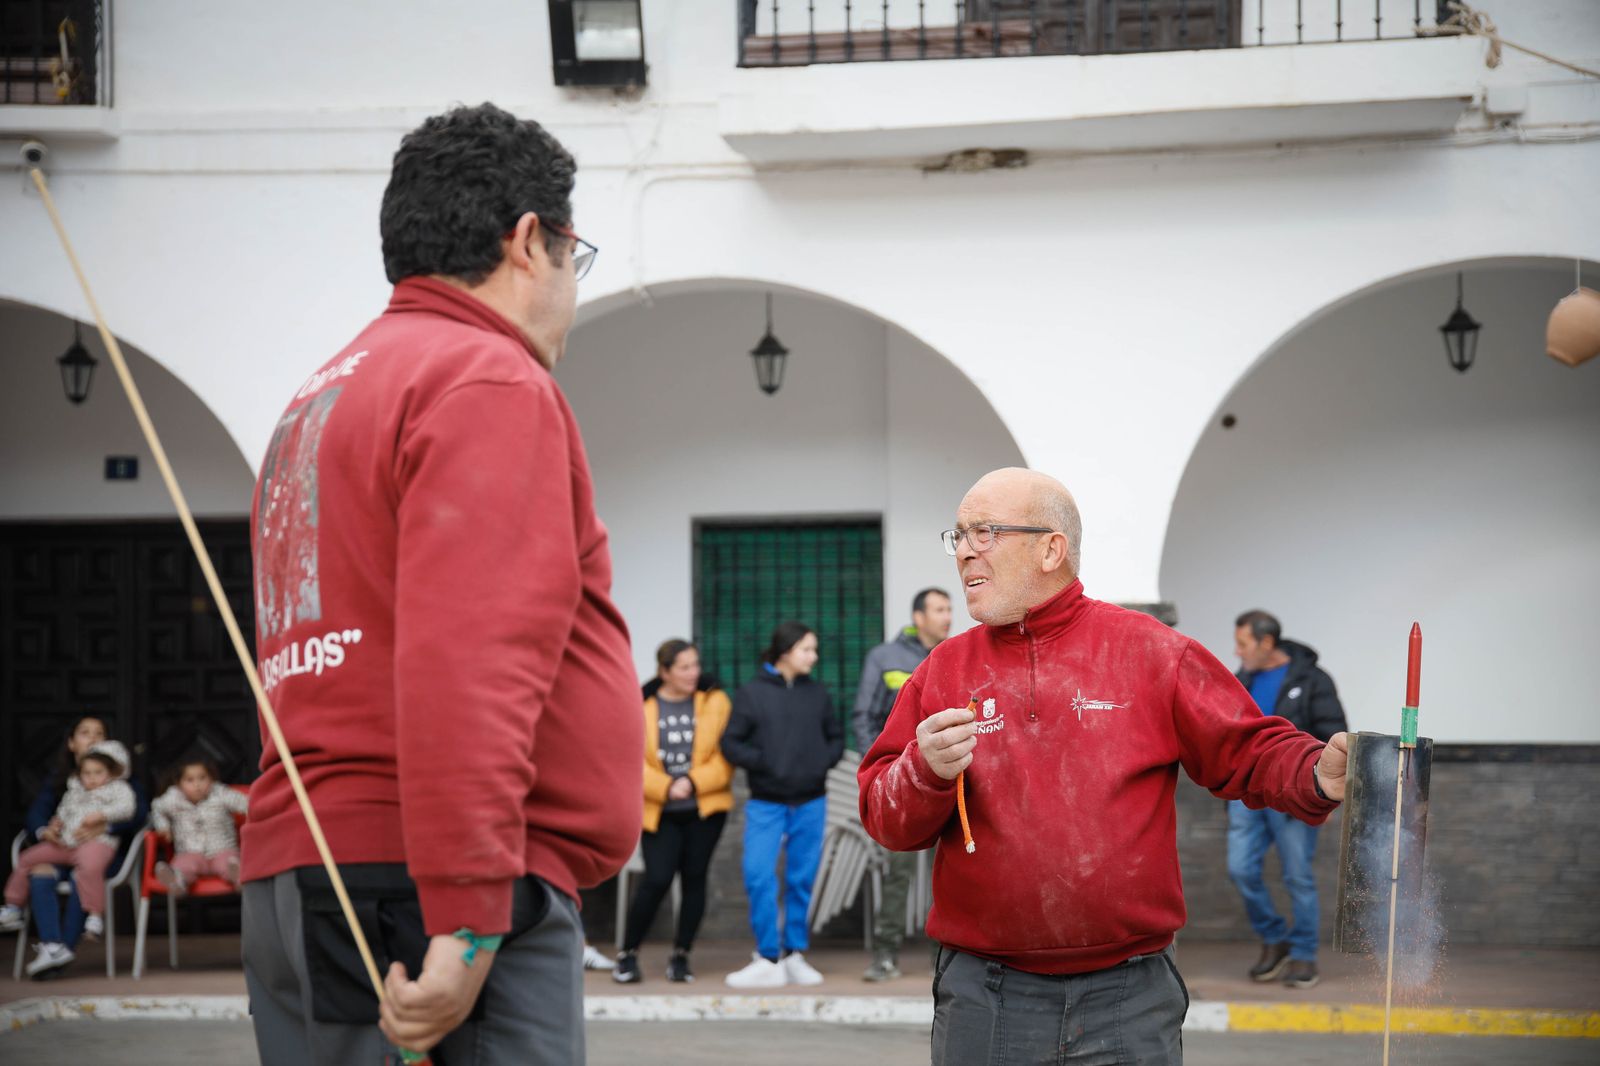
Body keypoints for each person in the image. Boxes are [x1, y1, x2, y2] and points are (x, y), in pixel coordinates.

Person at [242, 102, 641, 1066]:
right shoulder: (485, 378)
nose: (570, 294)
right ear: (528, 240)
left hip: (309, 867)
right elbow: (474, 662)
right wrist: (467, 920)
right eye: (573, 258)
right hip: (436, 887)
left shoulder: (323, 393)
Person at [859, 468, 1351, 1064]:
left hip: (1129, 997)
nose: (963, 551)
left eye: (983, 532)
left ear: (1051, 548)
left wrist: (1314, 772)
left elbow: (1247, 749)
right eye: (958, 535)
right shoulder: (942, 670)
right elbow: (885, 817)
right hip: (984, 997)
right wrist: (924, 770)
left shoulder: (1152, 651)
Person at [720, 622, 845, 989]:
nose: (813, 656)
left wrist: (820, 761)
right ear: (786, 650)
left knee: (801, 879)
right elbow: (731, 743)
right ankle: (767, 956)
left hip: (811, 800)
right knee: (758, 875)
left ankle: (793, 954)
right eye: (807, 649)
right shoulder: (751, 693)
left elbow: (835, 736)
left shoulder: (817, 693)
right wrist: (766, 762)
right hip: (766, 802)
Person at [1229, 609, 1349, 990]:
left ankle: (1302, 955)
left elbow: (1333, 735)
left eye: (1243, 643)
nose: (1238, 651)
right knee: (1240, 869)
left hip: (1293, 792)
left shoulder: (1311, 679)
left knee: (1297, 876)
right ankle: (1275, 937)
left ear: (1266, 642)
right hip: (1246, 794)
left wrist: (1321, 794)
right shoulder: (1240, 680)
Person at [613, 639, 734, 984]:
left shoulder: (715, 701)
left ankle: (681, 956)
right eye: (684, 667)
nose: (693, 672)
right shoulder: (642, 704)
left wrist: (693, 782)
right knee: (657, 879)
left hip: (704, 809)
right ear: (664, 671)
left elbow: (726, 757)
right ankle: (628, 953)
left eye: (695, 664)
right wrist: (666, 786)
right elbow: (628, 758)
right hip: (659, 809)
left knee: (695, 878)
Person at [852, 587, 952, 982]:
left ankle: (941, 958)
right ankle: (885, 954)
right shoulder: (885, 658)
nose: (947, 616)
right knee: (899, 872)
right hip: (904, 787)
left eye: (949, 609)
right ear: (918, 616)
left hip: (949, 781)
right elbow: (863, 716)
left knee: (948, 873)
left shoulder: (955, 655)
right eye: (939, 610)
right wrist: (880, 771)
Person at [2, 739, 136, 977]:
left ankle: (77, 934)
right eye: (85, 733)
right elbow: (42, 814)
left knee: (83, 873)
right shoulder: (69, 785)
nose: (92, 777)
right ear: (72, 744)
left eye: (98, 734)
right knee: (35, 867)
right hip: (65, 845)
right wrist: (49, 828)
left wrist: (105, 823)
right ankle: (23, 917)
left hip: (96, 851)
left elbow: (135, 813)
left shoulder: (122, 787)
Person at [151, 754, 250, 894]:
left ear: (211, 779)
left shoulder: (220, 793)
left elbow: (245, 803)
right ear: (179, 783)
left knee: (229, 862)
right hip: (190, 852)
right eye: (190, 780)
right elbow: (157, 808)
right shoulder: (173, 798)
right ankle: (177, 881)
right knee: (184, 865)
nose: (197, 785)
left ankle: (238, 876)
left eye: (202, 778)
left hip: (222, 849)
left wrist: (254, 811)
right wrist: (163, 826)